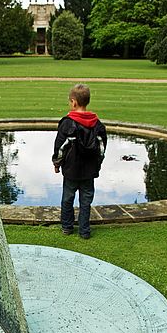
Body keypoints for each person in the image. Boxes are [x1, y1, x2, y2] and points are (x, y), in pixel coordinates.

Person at [52, 84, 107, 239]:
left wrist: (57, 163)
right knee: (86, 201)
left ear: (74, 102)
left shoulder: (67, 123)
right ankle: (84, 231)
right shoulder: (98, 124)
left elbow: (60, 147)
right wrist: (98, 164)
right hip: (89, 170)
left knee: (67, 199)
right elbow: (101, 149)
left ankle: (67, 228)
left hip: (71, 170)